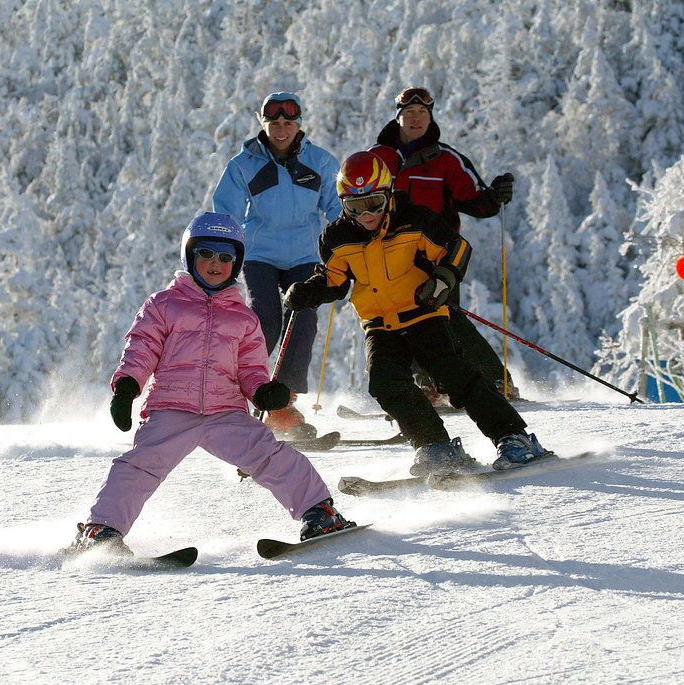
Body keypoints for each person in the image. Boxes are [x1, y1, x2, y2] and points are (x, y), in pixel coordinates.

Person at [72, 212, 352, 554]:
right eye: (206, 253)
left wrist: (263, 391)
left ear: (236, 264)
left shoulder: (243, 317)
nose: (215, 263)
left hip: (225, 413)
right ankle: (101, 531)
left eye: (226, 257)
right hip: (171, 409)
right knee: (140, 466)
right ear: (190, 256)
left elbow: (250, 368)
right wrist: (128, 387)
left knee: (270, 455)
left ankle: (319, 511)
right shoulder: (164, 304)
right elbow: (141, 348)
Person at [284, 151, 551, 477]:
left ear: (388, 193)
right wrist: (309, 291)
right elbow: (334, 282)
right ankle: (435, 447)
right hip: (379, 325)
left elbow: (457, 247)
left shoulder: (414, 219)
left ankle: (515, 438)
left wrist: (443, 279)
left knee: (454, 377)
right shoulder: (337, 238)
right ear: (343, 204)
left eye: (375, 203)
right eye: (355, 207)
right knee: (385, 384)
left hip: (423, 315)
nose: (366, 214)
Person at [370, 85, 519, 402]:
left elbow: (476, 203)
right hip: (391, 256)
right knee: (400, 320)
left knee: (446, 318)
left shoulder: (447, 159)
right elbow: (357, 197)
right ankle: (430, 387)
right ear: (398, 117)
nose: (416, 119)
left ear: (430, 117)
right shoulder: (377, 158)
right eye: (409, 112)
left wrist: (493, 197)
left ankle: (496, 382)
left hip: (438, 255)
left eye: (422, 112)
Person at [212, 92, 343, 439]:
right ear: (263, 123)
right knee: (265, 320)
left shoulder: (321, 162)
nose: (281, 129)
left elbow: (337, 209)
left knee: (304, 316)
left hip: (305, 255)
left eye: (288, 123)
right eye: (274, 123)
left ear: (299, 124)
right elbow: (226, 213)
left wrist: (342, 247)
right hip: (260, 254)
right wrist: (223, 254)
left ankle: (282, 404)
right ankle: (233, 391)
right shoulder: (243, 165)